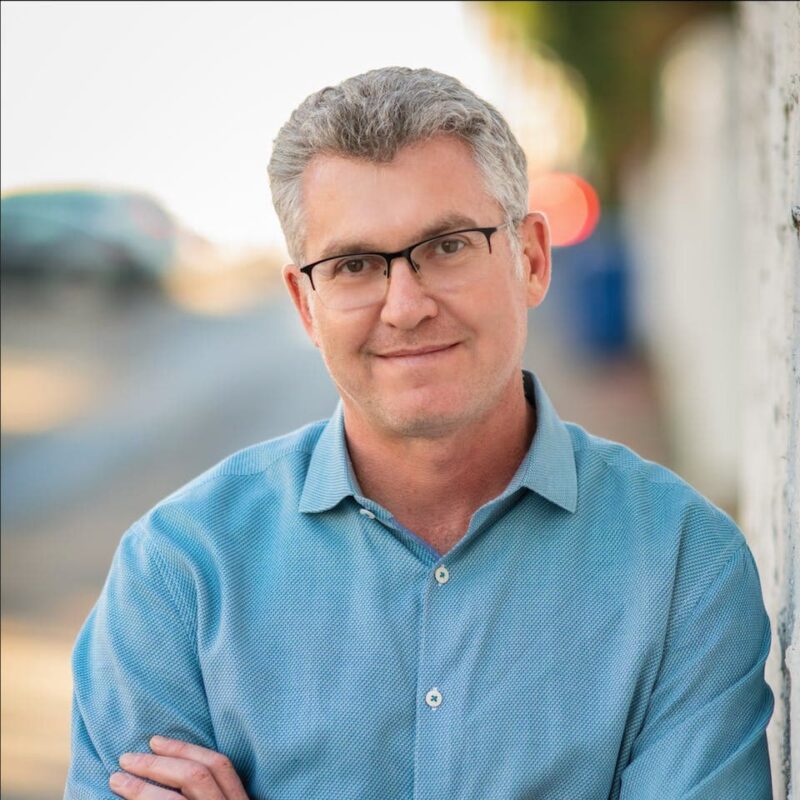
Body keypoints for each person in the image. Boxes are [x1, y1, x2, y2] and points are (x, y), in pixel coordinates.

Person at [65, 67, 774, 800]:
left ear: (530, 258)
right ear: (305, 303)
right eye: (354, 265)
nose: (404, 307)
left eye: (447, 247)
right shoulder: (178, 576)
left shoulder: (685, 568)